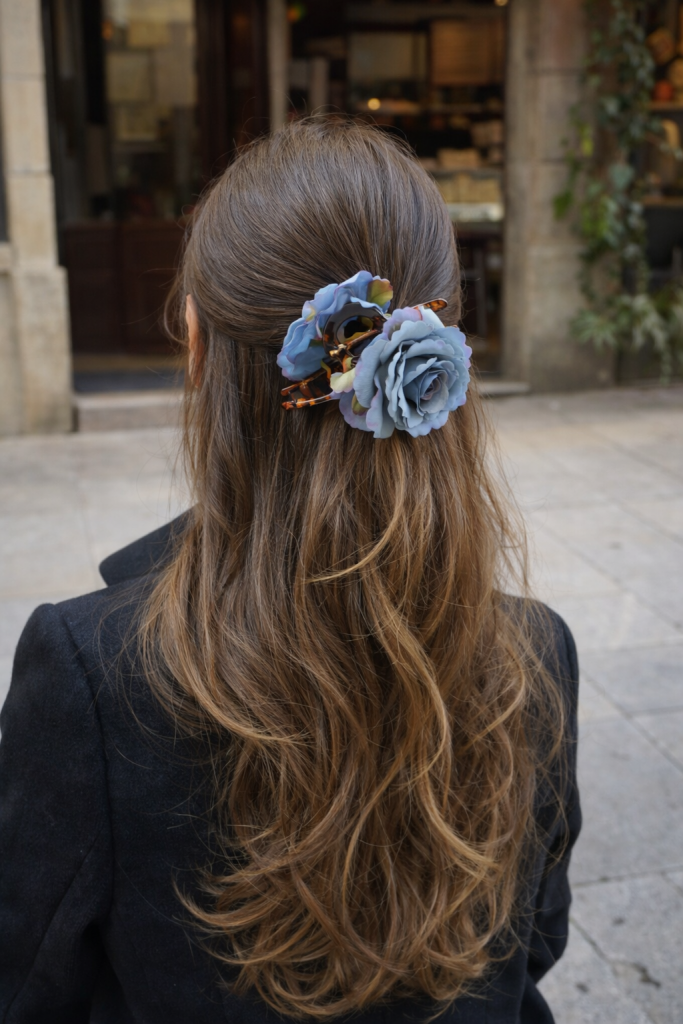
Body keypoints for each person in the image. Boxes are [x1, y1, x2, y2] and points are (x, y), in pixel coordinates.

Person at [0, 118, 580, 1024]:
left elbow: (26, 980)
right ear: (435, 356)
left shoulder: (90, 676)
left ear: (196, 347)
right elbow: (535, 938)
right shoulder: (532, 652)